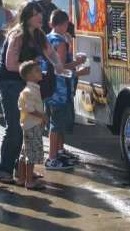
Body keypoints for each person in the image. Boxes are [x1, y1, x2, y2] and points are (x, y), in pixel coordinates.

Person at [0, 0, 63, 184]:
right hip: (10, 83)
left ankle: (23, 171)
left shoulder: (40, 34)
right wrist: (32, 69)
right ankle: (4, 170)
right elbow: (10, 65)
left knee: (29, 127)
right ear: (26, 16)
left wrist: (58, 65)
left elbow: (52, 53)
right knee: (15, 128)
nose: (40, 16)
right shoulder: (17, 35)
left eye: (40, 13)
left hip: (27, 83)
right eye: (35, 14)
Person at [45, 10, 89, 170]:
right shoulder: (60, 42)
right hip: (60, 88)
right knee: (57, 124)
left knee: (55, 121)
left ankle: (58, 152)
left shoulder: (47, 38)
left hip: (49, 87)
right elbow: (61, 68)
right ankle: (52, 157)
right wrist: (78, 65)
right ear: (64, 24)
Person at [16, 61, 48, 190]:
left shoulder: (33, 89)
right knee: (32, 154)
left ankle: (21, 178)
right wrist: (42, 116)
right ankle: (29, 181)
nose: (41, 72)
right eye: (37, 71)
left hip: (30, 125)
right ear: (29, 75)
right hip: (32, 125)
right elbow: (30, 109)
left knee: (24, 153)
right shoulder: (29, 91)